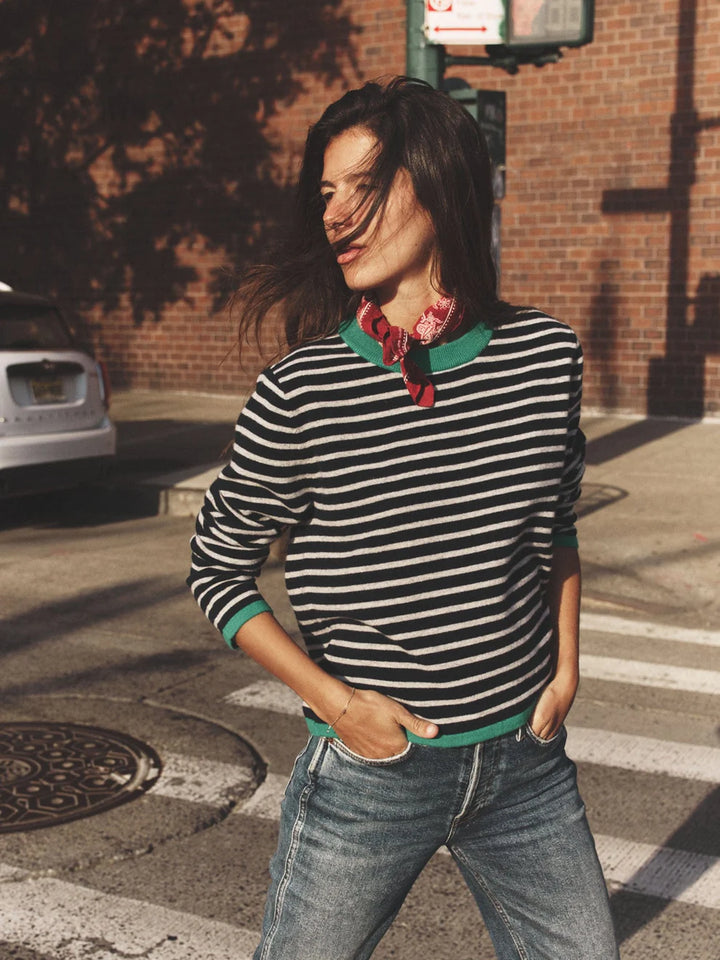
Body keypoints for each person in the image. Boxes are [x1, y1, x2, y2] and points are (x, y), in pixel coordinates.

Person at [188, 76, 619, 960]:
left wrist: (566, 671)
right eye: (326, 194)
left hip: (524, 764)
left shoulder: (543, 358)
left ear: (439, 184)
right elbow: (216, 570)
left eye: (365, 187)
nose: (338, 215)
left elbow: (559, 526)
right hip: (373, 772)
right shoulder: (302, 391)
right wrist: (340, 707)